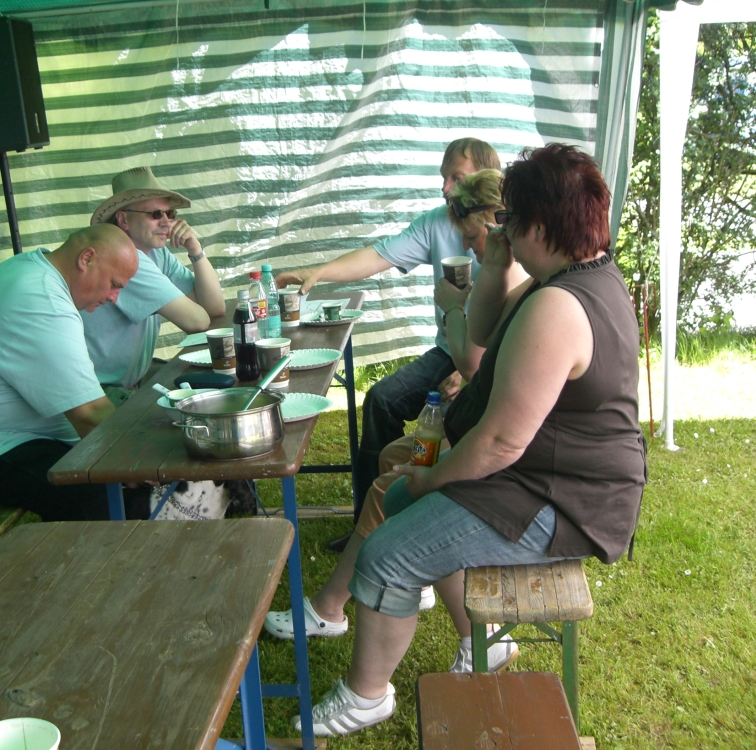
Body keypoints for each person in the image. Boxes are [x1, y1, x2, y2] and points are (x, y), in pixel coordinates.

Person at [292, 144, 647, 737]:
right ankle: (459, 636)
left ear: (538, 223)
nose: (500, 229)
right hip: (548, 478)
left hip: (562, 501)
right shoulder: (570, 277)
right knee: (398, 499)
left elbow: (501, 442)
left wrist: (433, 478)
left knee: (388, 551)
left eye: (510, 218)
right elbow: (482, 331)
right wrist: (498, 264)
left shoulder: (559, 306)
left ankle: (366, 695)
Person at [263, 169, 524, 642]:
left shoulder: (512, 272)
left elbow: (478, 363)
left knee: (392, 485)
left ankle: (332, 608)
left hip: (499, 439)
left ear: (496, 220)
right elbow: (479, 357)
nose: (468, 248)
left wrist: (453, 311)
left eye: (472, 238)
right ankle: (419, 582)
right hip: (477, 399)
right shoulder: (494, 259)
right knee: (393, 450)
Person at [275, 138, 501, 528]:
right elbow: (379, 255)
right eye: (443, 177)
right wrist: (320, 272)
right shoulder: (436, 221)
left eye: (456, 178)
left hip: (490, 360)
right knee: (381, 399)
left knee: (453, 419)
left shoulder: (507, 240)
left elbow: (513, 330)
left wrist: (472, 377)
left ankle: (416, 518)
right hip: (450, 350)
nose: (445, 187)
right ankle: (368, 521)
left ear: (485, 181)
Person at [0, 224, 149, 521]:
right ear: (86, 259)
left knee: (115, 473)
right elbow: (89, 414)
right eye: (114, 284)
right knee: (103, 497)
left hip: (15, 437)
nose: (114, 297)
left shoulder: (26, 269)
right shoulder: (41, 299)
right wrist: (142, 466)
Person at [85, 166, 226, 403]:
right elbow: (197, 322)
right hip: (100, 391)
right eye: (155, 214)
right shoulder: (125, 257)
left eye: (170, 213)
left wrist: (195, 249)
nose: (167, 223)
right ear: (123, 220)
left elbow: (214, 308)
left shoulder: (157, 254)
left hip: (129, 379)